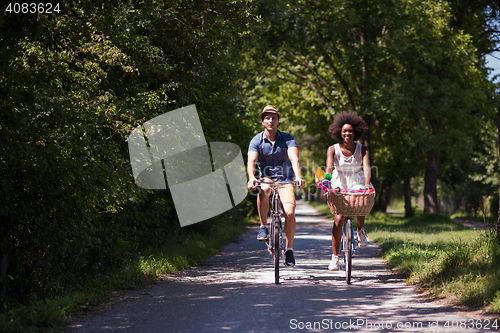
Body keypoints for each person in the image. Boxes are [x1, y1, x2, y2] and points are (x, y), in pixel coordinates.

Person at [247, 105, 305, 267]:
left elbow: (294, 159)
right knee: (264, 189)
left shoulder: (287, 138)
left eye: (273, 117)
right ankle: (263, 226)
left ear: (278, 120)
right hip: (267, 178)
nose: (270, 120)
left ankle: (289, 249)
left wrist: (299, 176)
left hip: (286, 180)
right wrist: (252, 178)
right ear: (262, 121)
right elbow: (251, 161)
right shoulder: (256, 140)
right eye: (267, 117)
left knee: (290, 212)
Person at [325, 111, 373, 271]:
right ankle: (335, 258)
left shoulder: (363, 149)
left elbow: (366, 168)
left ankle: (360, 230)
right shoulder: (332, 149)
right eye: (344, 131)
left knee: (361, 202)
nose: (347, 133)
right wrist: (327, 181)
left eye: (350, 131)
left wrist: (367, 184)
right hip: (339, 180)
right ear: (339, 132)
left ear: (355, 133)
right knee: (338, 220)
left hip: (356, 180)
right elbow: (329, 168)